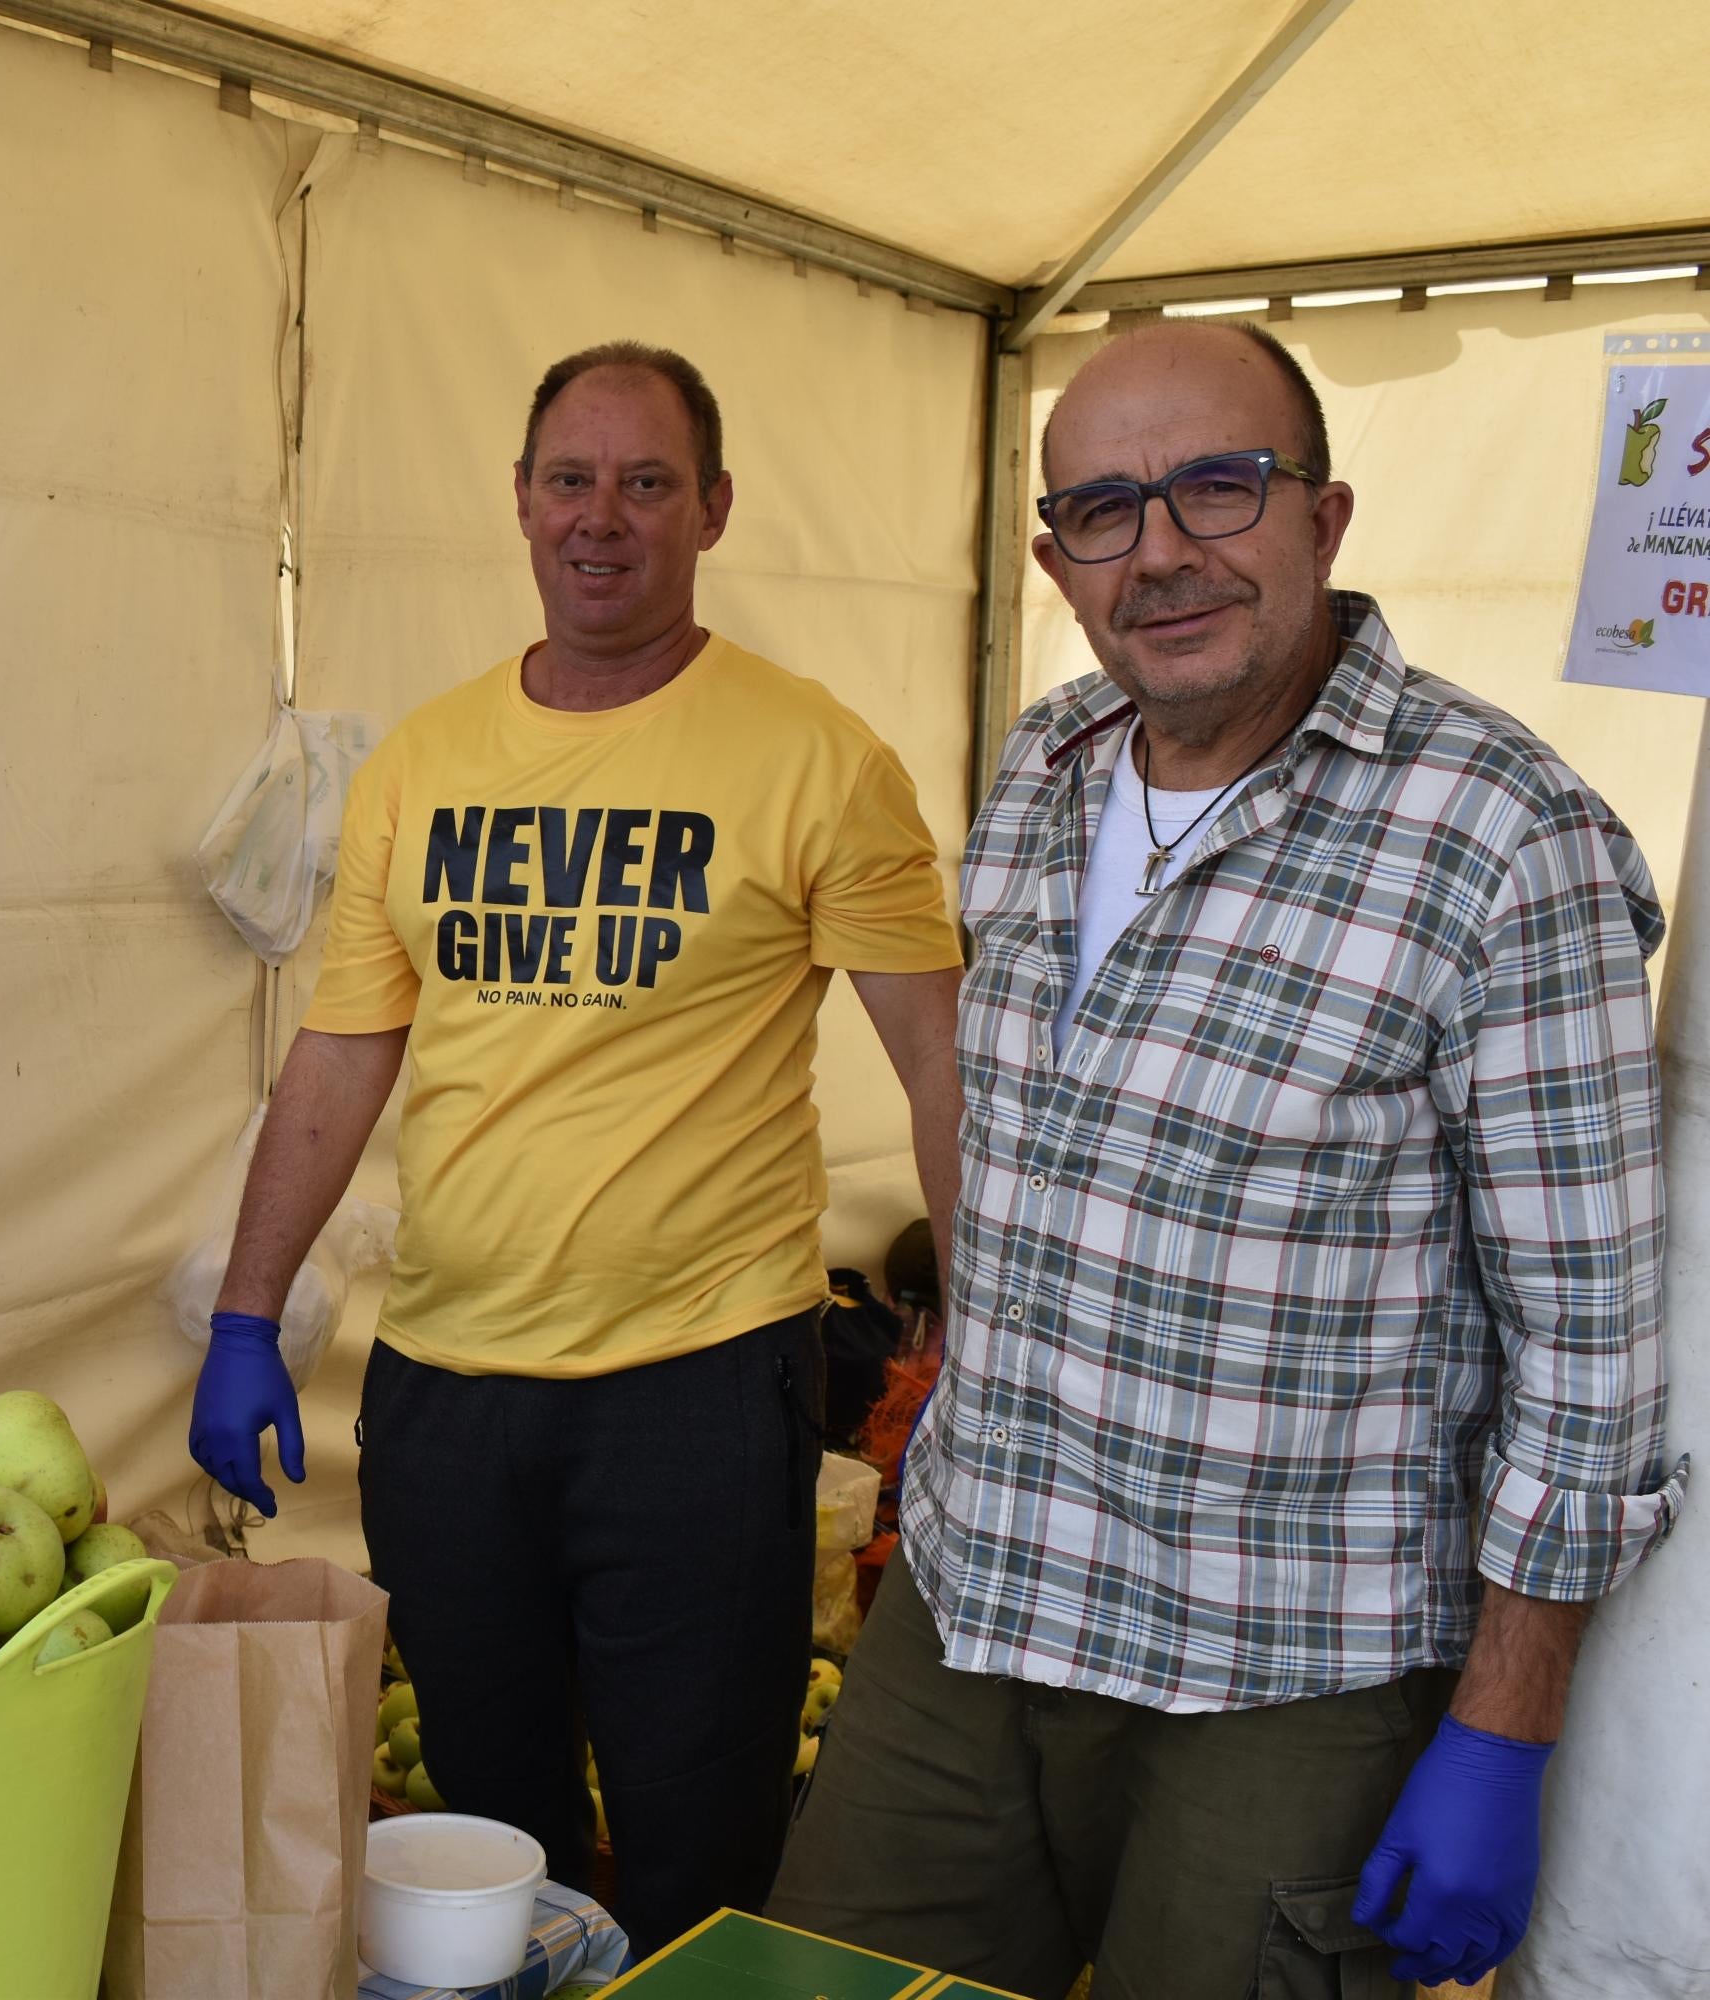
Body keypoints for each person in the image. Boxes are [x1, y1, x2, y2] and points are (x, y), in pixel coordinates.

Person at [768, 322, 1683, 1998]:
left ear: (1325, 518)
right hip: (977, 1599)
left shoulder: (1501, 834)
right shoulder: (1044, 769)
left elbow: (1589, 1344)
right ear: (1056, 559)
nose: (1162, 551)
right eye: (1104, 510)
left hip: (1285, 1675)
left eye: (1217, 486)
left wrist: (1507, 1722)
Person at [188, 340, 965, 1956]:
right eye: (569, 480)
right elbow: (343, 1052)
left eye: (645, 483)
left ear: (714, 509)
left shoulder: (818, 758)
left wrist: (987, 1342)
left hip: (699, 1391)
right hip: (449, 1392)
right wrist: (247, 1313)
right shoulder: (423, 762)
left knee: (697, 1838)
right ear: (522, 501)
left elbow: (943, 1065)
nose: (600, 516)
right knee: (488, 1835)